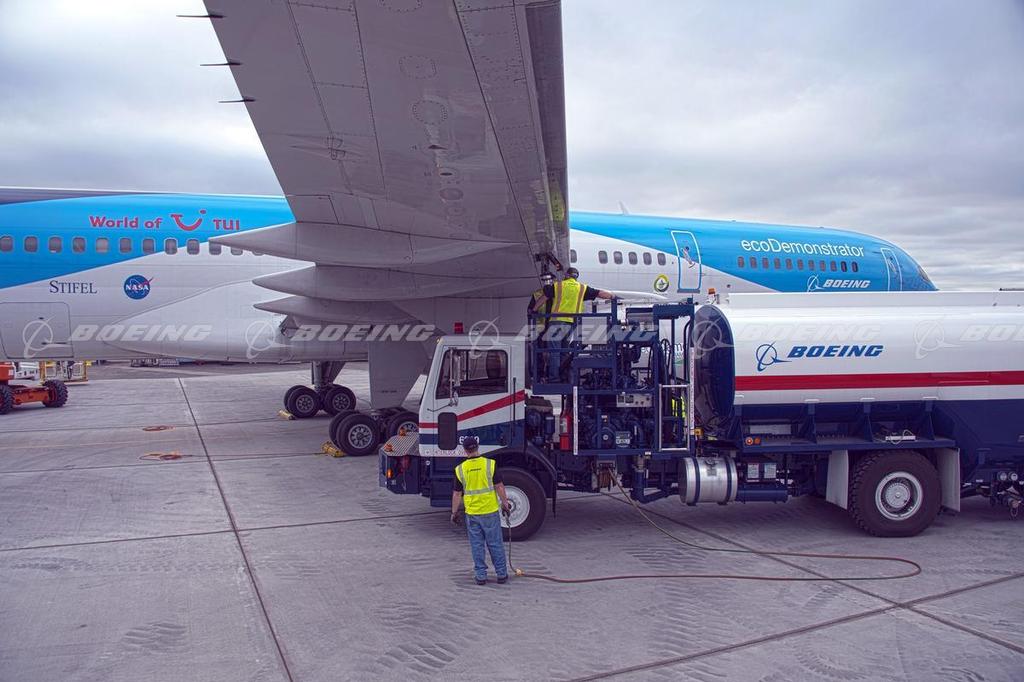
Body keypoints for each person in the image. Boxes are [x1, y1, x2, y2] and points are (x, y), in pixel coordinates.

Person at [532, 267, 615, 381]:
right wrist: (612, 296)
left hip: (557, 322)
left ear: (566, 275)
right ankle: (564, 376)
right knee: (564, 351)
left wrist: (534, 310)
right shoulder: (582, 288)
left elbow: (544, 297)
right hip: (571, 323)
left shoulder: (558, 286)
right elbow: (600, 293)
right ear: (576, 277)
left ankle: (554, 378)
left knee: (554, 351)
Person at [450, 435, 511, 585]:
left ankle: (481, 576)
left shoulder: (460, 469)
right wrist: (505, 504)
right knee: (495, 543)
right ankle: (501, 574)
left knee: (477, 546)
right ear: (477, 447)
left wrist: (454, 513)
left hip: (472, 514)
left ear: (465, 451)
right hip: (490, 511)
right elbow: (499, 486)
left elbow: (457, 494)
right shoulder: (490, 464)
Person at [528, 272, 556, 378]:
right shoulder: (537, 294)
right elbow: (530, 310)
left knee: (554, 352)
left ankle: (551, 373)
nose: (547, 282)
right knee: (540, 352)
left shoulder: (558, 293)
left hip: (554, 326)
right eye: (545, 280)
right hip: (542, 328)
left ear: (553, 280)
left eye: (549, 280)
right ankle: (540, 374)